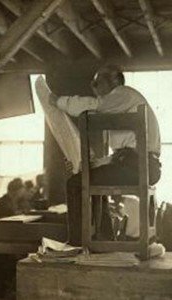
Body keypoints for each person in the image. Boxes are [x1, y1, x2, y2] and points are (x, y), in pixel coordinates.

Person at [41, 65, 161, 245]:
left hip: (138, 167)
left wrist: (57, 101)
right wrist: (93, 164)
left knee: (75, 183)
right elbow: (123, 154)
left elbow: (93, 105)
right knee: (90, 177)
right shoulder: (122, 104)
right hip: (138, 165)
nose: (93, 86)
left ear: (114, 81)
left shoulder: (123, 93)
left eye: (97, 82)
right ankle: (104, 237)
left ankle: (76, 243)